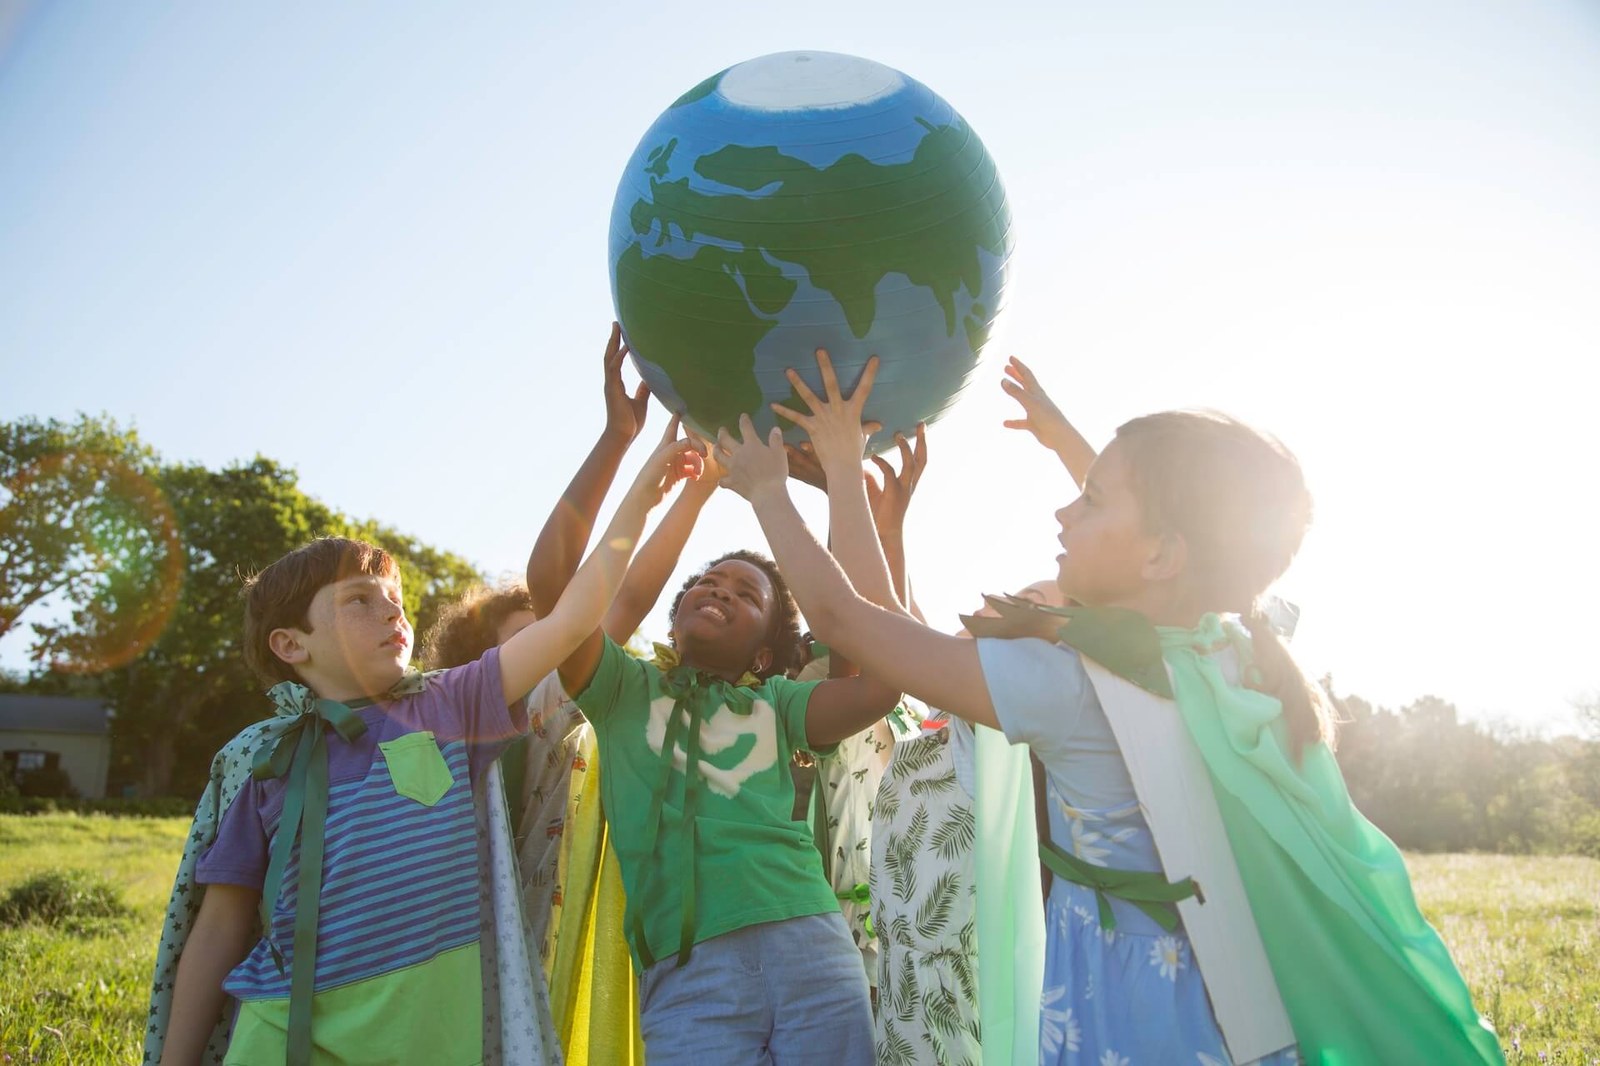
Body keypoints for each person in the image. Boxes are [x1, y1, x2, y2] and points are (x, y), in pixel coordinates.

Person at [715, 361, 1505, 1064]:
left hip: (1129, 1018)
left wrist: (785, 487)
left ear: (1161, 553)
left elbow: (856, 623)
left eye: (1088, 500)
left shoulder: (1074, 686)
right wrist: (1071, 445)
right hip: (1243, 1016)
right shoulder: (1229, 651)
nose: (1064, 515)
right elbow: (1194, 543)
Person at [147, 428, 699, 1066]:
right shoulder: (267, 761)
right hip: (284, 1030)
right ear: (291, 644)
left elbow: (574, 619)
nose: (394, 614)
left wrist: (645, 494)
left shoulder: (450, 704)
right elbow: (220, 925)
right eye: (360, 599)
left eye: (397, 600)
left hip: (429, 1032)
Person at [529, 350, 902, 1065]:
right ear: (672, 623)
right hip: (687, 976)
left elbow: (878, 672)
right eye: (706, 581)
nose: (720, 590)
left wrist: (845, 488)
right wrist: (654, 467)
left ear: (765, 654)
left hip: (811, 950)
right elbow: (559, 585)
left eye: (746, 593)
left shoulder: (778, 705)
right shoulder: (621, 691)